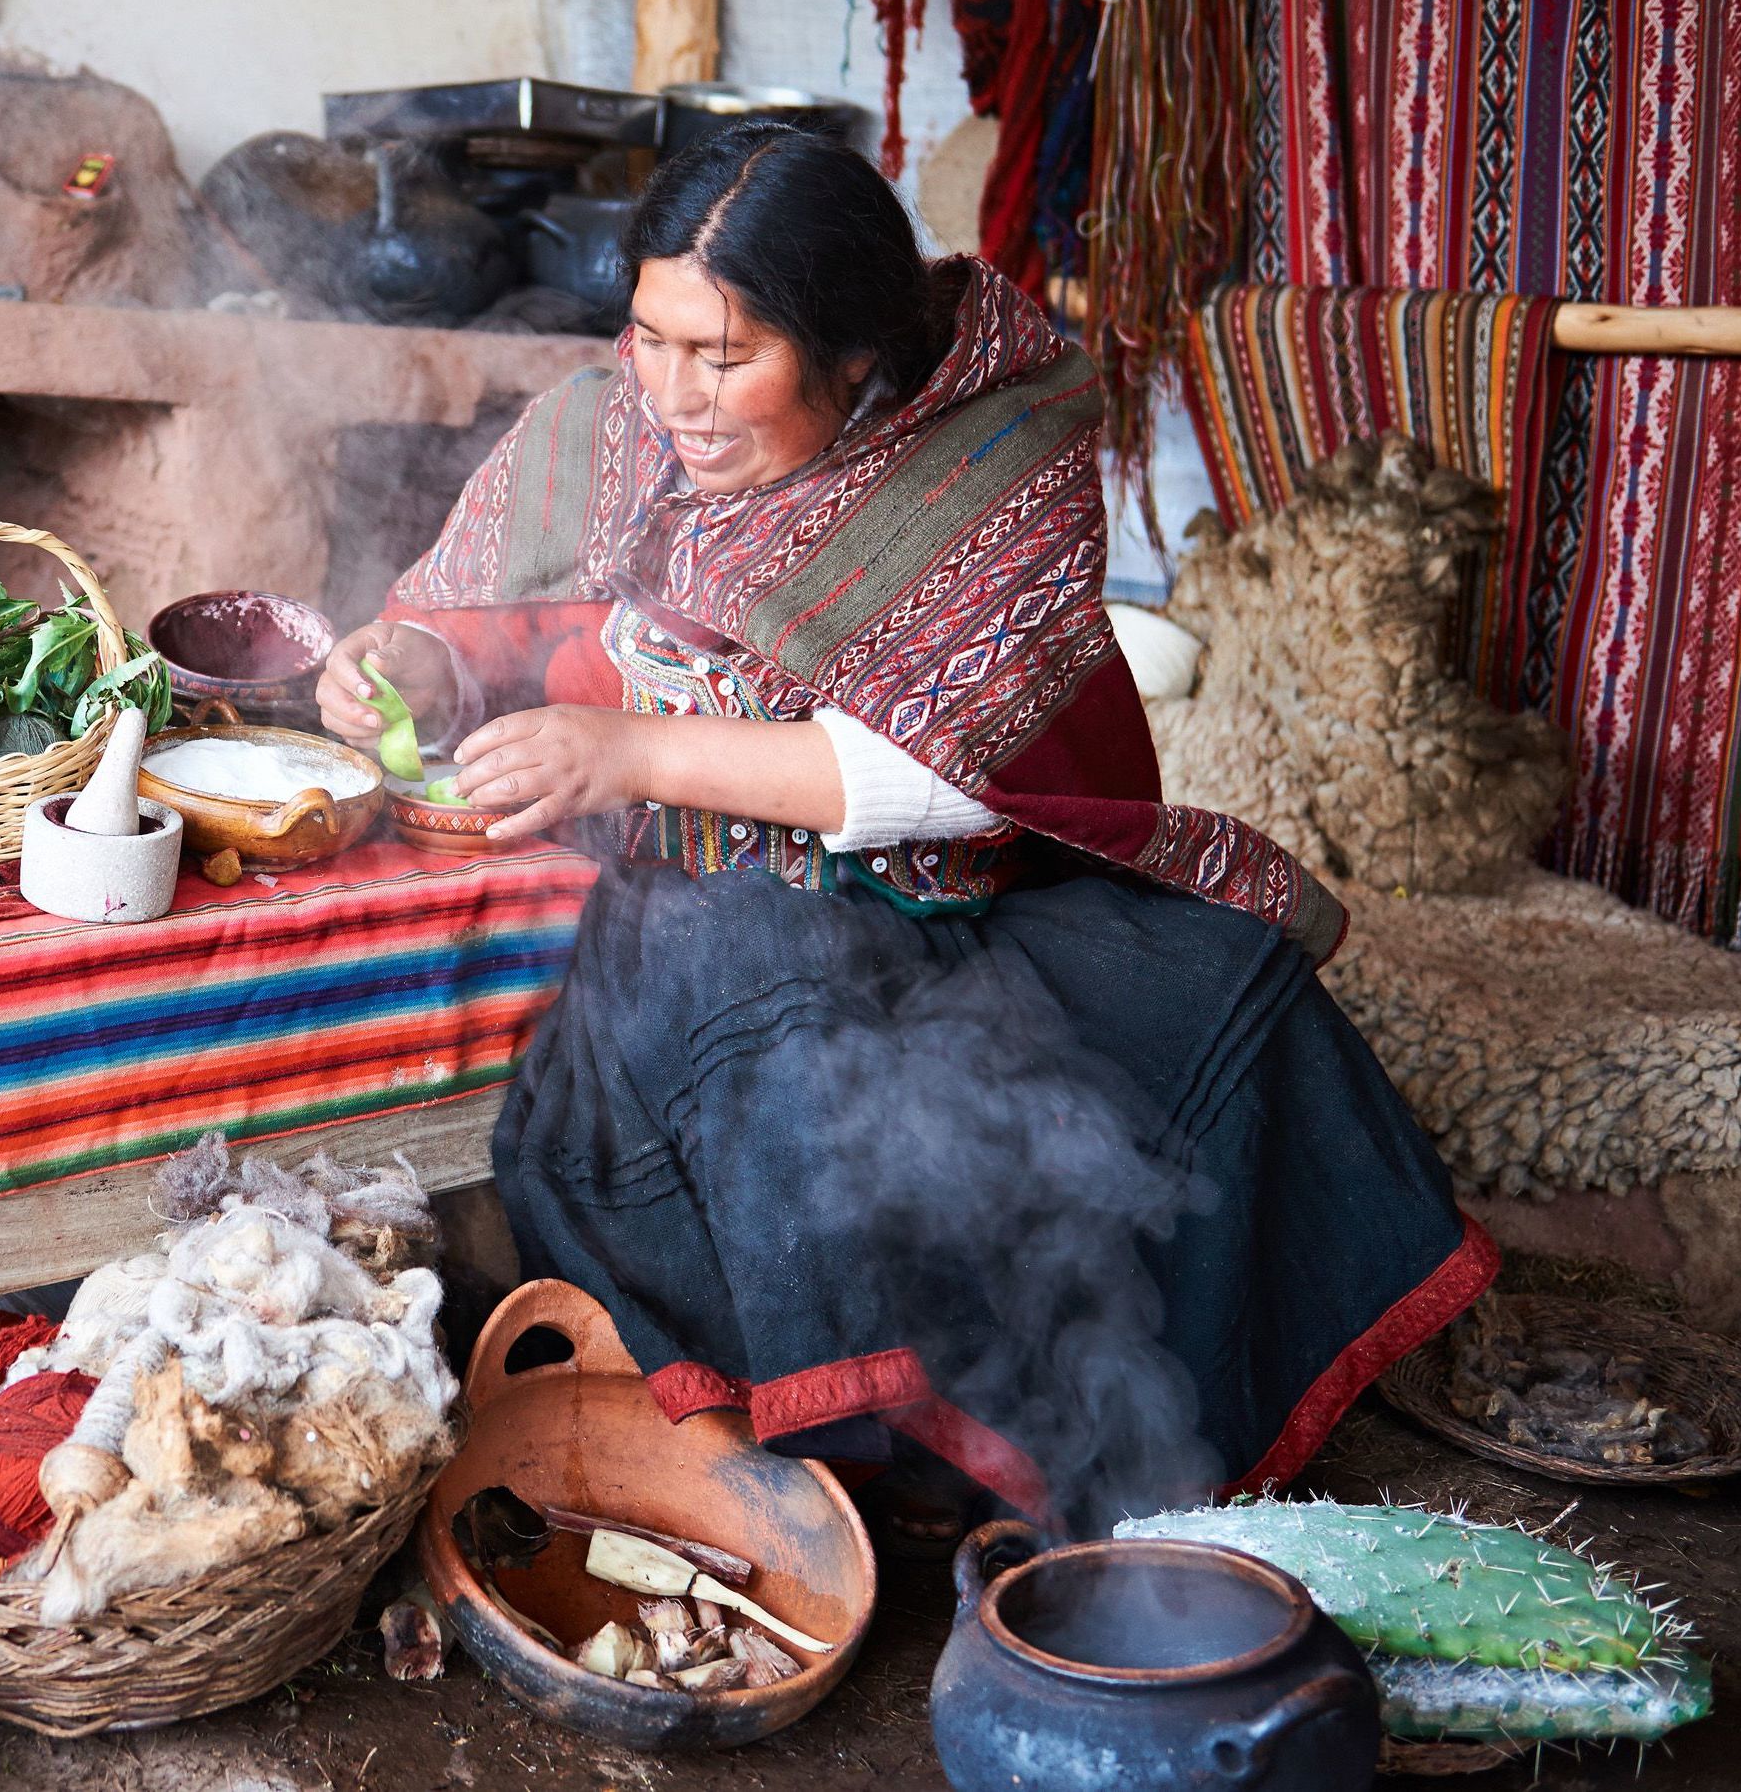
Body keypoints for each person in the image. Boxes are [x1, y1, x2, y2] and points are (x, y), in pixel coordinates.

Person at [319, 122, 1494, 1528]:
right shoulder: (608, 426)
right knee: (763, 1000)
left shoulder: (993, 451)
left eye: (725, 356)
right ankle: (850, 1430)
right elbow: (484, 623)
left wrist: (633, 748)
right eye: (648, 338)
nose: (673, 396)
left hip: (945, 890)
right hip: (704, 909)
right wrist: (414, 667)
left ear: (856, 355)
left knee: (1221, 992)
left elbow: (949, 769)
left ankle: (1003, 1445)